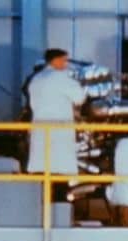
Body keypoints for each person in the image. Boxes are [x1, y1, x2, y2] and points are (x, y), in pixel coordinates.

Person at [27, 48, 86, 176]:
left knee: (41, 168)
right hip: (59, 131)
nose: (66, 64)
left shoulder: (36, 78)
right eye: (64, 61)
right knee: (59, 170)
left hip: (40, 129)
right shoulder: (60, 77)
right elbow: (80, 97)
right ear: (56, 60)